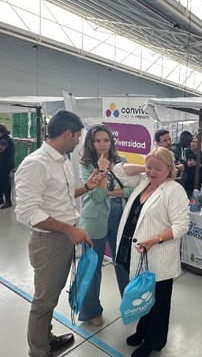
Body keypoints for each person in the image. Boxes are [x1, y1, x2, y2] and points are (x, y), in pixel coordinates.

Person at [15, 110, 103, 357]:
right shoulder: (36, 164)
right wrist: (68, 229)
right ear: (67, 133)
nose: (78, 141)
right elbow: (27, 212)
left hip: (63, 239)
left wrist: (86, 187)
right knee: (44, 302)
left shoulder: (61, 160)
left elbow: (60, 198)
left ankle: (47, 339)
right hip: (49, 242)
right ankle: (39, 351)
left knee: (51, 297)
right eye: (77, 136)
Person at [112, 147, 190, 357]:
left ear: (170, 170)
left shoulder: (173, 190)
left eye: (158, 169)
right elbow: (118, 171)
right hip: (137, 252)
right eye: (149, 167)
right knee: (145, 296)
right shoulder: (143, 182)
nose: (152, 172)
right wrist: (147, 165)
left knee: (159, 300)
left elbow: (182, 225)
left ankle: (155, 341)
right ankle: (142, 331)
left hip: (159, 255)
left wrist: (156, 239)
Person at [77, 124, 134, 327]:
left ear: (112, 141)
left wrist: (114, 192)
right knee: (93, 267)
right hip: (95, 220)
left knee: (123, 264)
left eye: (106, 140)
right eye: (97, 141)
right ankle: (91, 311)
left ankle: (130, 304)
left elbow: (130, 190)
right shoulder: (86, 165)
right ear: (91, 143)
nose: (102, 144)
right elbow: (97, 195)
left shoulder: (121, 161)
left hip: (121, 217)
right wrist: (101, 171)